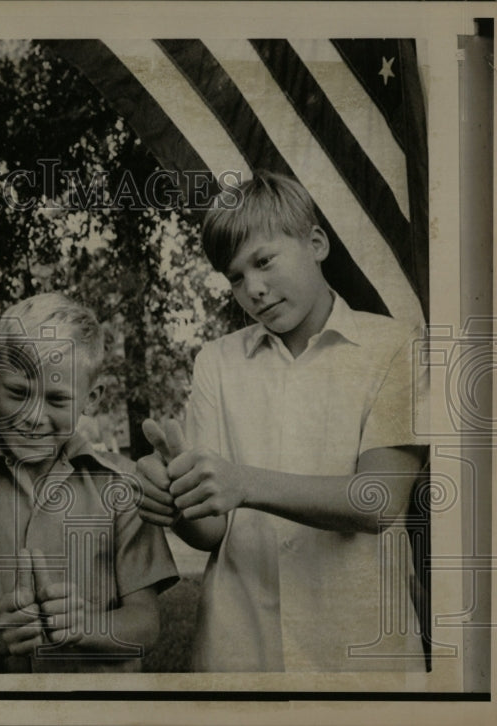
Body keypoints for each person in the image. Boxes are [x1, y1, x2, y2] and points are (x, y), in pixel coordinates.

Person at [136, 171, 428, 672]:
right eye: (234, 276)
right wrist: (176, 501)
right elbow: (211, 530)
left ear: (315, 243)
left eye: (264, 261)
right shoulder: (217, 361)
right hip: (242, 648)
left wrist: (241, 482)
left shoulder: (397, 346)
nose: (254, 288)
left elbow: (378, 500)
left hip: (360, 652)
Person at [0, 293, 177, 673]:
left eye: (58, 399)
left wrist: (84, 627)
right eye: (18, 393)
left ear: (90, 399)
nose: (34, 416)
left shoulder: (123, 487)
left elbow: (145, 624)